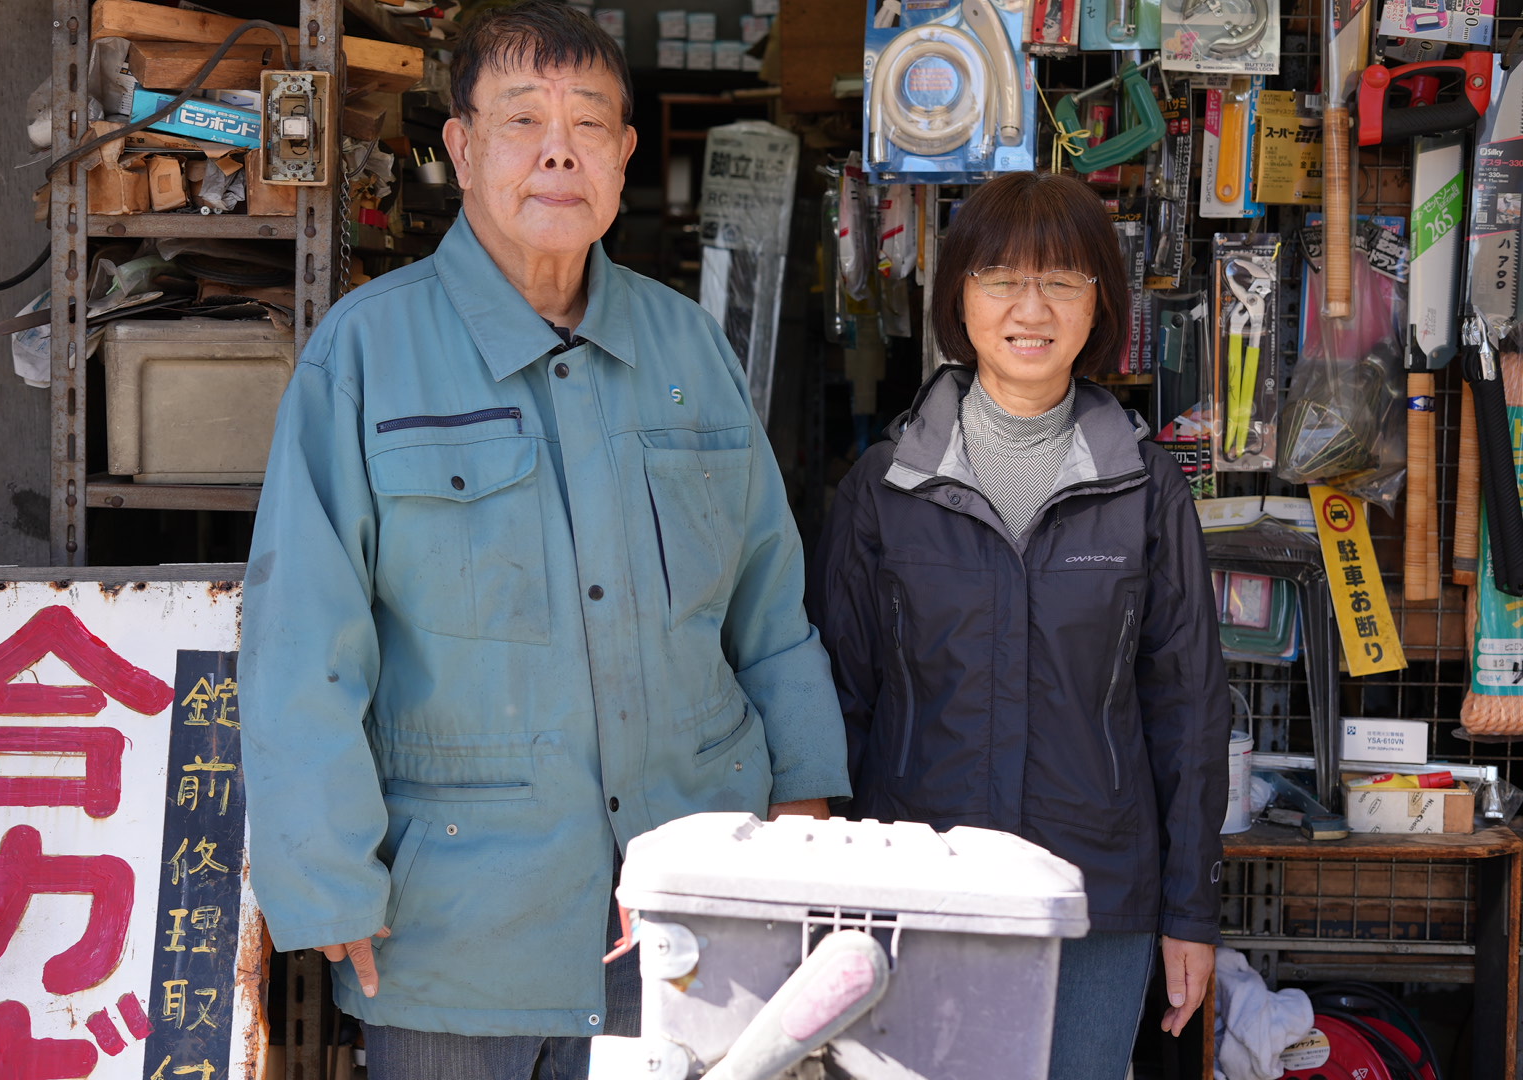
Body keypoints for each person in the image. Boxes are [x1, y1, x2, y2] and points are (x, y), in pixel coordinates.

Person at [237, 3, 850, 1077]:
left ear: (625, 154)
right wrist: (325, 875)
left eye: (588, 124)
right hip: (455, 926)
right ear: (461, 148)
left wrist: (803, 803)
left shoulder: (687, 348)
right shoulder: (366, 355)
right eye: (522, 119)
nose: (558, 150)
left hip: (691, 916)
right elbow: (302, 641)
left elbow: (768, 605)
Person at [807, 171, 1230, 1080]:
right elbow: (836, 702)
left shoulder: (1147, 490)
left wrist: (1191, 913)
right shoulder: (886, 487)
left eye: (1063, 280)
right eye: (1001, 278)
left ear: (1099, 304)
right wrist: (819, 896)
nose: (1030, 308)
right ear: (959, 297)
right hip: (914, 889)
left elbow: (1189, 711)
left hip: (1095, 897)